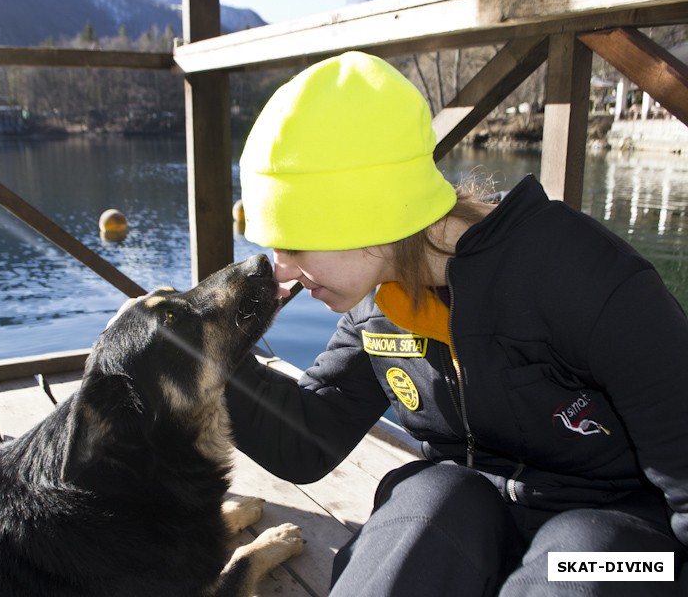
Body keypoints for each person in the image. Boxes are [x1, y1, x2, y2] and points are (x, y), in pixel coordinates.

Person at [223, 51, 688, 596]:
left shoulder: (583, 277)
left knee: (579, 557)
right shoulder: (379, 306)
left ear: (367, 216)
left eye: (293, 241)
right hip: (476, 526)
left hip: (628, 544)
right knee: (423, 506)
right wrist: (200, 355)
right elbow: (305, 440)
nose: (279, 268)